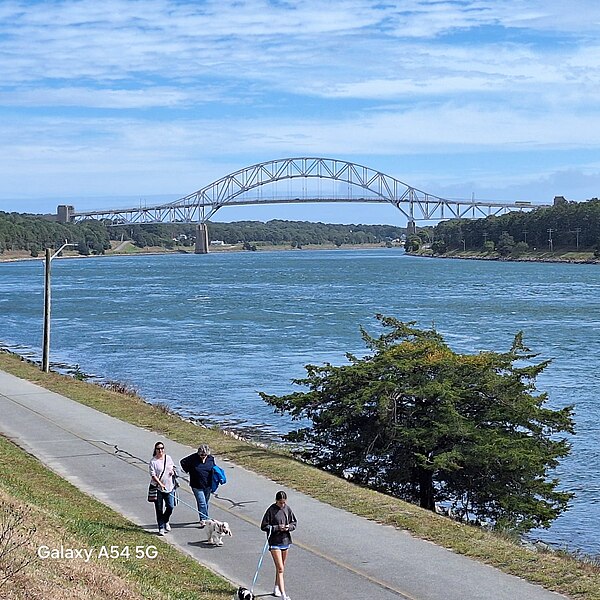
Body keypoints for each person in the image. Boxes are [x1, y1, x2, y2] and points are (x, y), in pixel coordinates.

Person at [260, 491, 297, 600]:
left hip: (285, 541)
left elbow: (294, 523)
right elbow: (264, 526)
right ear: (276, 501)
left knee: (281, 568)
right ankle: (284, 595)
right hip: (274, 542)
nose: (282, 505)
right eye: (280, 503)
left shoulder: (287, 509)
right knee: (280, 568)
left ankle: (276, 586)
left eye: (284, 502)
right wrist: (277, 528)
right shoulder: (271, 510)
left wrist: (288, 527)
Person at [180, 444, 215, 527]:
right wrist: (189, 470)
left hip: (208, 485)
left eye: (205, 455)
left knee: (205, 502)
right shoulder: (193, 458)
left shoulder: (211, 459)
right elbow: (182, 462)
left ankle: (204, 516)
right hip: (196, 485)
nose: (203, 456)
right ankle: (204, 519)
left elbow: (213, 468)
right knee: (201, 502)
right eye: (201, 455)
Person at [149, 441, 177, 536]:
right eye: (158, 449)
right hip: (158, 488)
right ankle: (161, 527)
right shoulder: (153, 461)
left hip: (169, 487)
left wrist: (173, 472)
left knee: (170, 506)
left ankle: (166, 520)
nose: (160, 450)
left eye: (162, 448)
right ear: (155, 450)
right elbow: (153, 475)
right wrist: (160, 484)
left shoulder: (168, 458)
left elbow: (172, 468)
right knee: (159, 508)